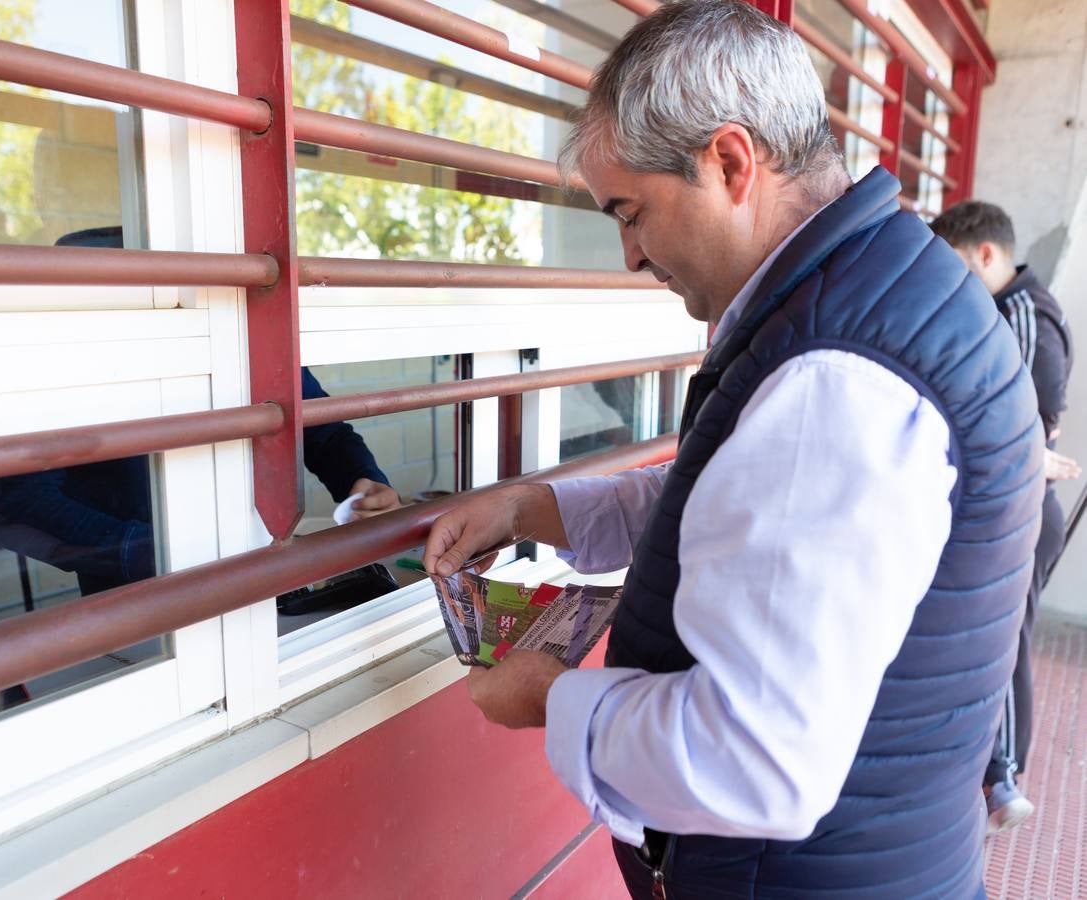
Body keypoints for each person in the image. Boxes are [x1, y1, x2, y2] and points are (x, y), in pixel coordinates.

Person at [422, 2, 1042, 897]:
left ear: (728, 161)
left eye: (630, 212)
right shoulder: (873, 290)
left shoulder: (838, 375)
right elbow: (745, 501)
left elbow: (754, 760)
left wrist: (552, 703)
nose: (630, 253)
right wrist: (537, 508)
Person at [0, 227, 398, 596]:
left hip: (259, 580)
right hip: (137, 605)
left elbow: (321, 429)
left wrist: (361, 480)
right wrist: (153, 552)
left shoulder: (237, 334)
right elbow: (22, 502)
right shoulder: (63, 366)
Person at [930, 200, 1079, 833]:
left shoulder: (1015, 312)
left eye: (958, 265)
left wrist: (1031, 452)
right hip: (1018, 501)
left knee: (1004, 637)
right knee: (993, 635)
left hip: (1018, 508)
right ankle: (995, 777)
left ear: (986, 254)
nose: (954, 282)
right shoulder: (1031, 307)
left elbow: (1008, 414)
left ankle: (1003, 779)